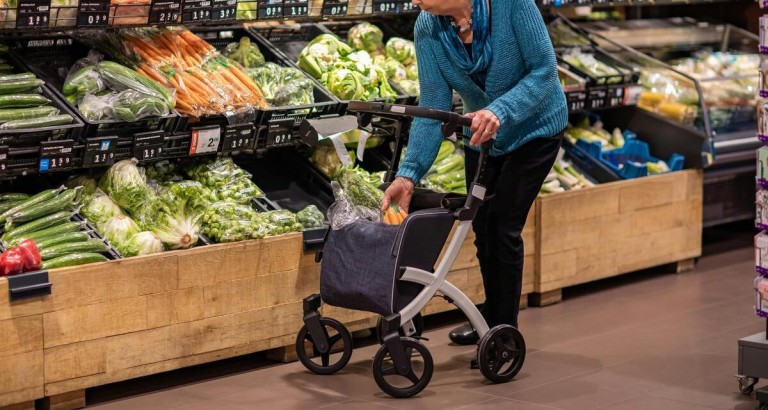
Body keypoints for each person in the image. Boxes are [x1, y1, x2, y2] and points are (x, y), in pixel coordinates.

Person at [381, 0, 568, 355]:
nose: (415, 1)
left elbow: (544, 70)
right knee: (482, 228)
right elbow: (434, 102)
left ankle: (504, 330)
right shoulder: (427, 26)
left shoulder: (511, 5)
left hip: (536, 130)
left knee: (503, 228)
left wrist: (500, 110)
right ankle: (489, 320)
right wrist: (409, 175)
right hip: (482, 139)